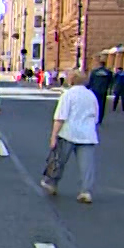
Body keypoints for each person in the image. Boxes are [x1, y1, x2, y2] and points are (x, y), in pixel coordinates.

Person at [40, 75, 101, 203]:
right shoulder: (91, 96)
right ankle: (86, 191)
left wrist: (53, 136)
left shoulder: (68, 95)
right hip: (87, 134)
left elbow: (60, 117)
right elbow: (95, 117)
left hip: (68, 133)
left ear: (71, 81)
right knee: (87, 166)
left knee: (59, 161)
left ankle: (52, 183)